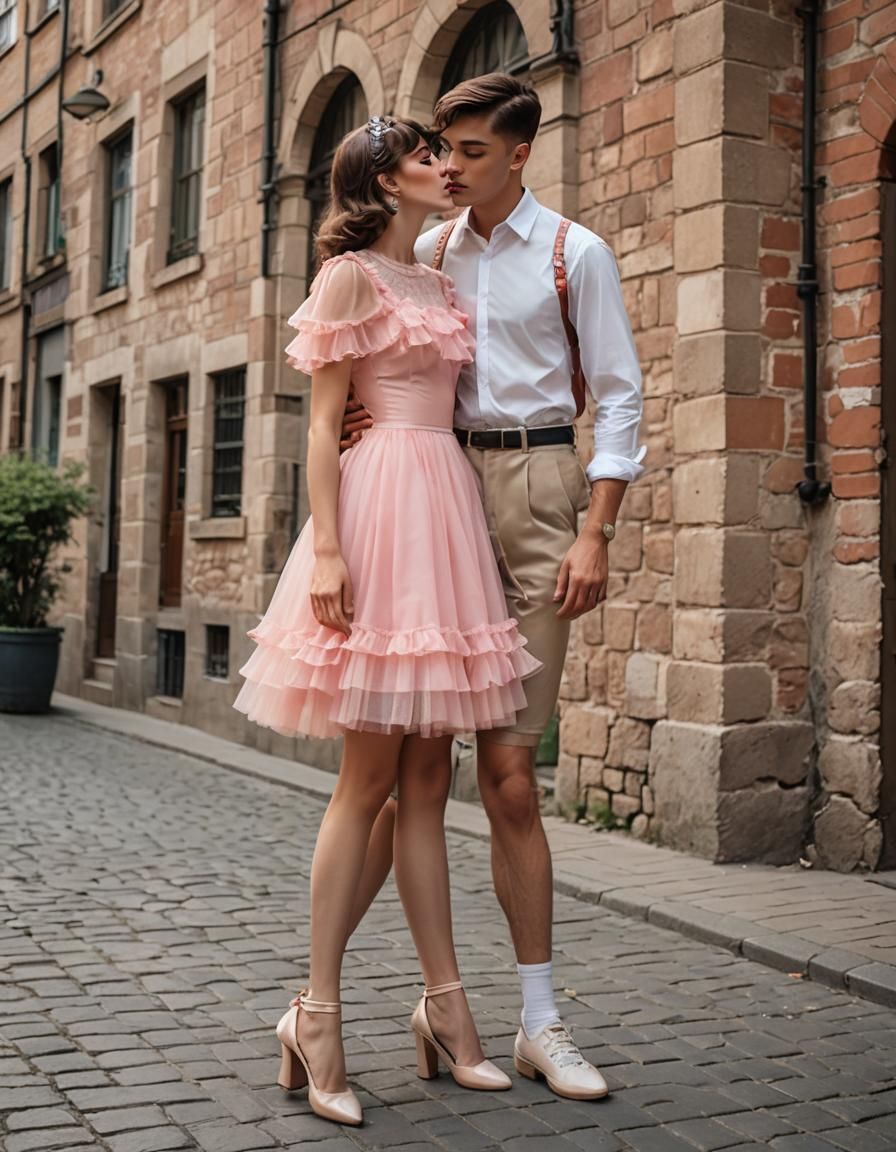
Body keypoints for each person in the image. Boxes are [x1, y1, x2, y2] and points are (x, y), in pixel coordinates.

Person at [233, 115, 541, 1126]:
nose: (443, 168)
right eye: (424, 157)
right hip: (374, 517)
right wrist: (326, 548)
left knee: (426, 781)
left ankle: (447, 1010)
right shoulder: (349, 278)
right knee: (365, 780)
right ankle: (314, 1015)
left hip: (440, 507)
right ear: (381, 179)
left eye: (445, 156)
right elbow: (323, 425)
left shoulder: (442, 282)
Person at [342, 74, 645, 1102]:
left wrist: (595, 532)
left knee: (507, 777)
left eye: (470, 150)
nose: (452, 164)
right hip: (438, 491)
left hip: (542, 492)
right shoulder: (426, 252)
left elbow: (618, 398)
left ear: (518, 153)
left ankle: (540, 1023)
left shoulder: (573, 254)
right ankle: (322, 989)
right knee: (406, 776)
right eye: (445, 149)